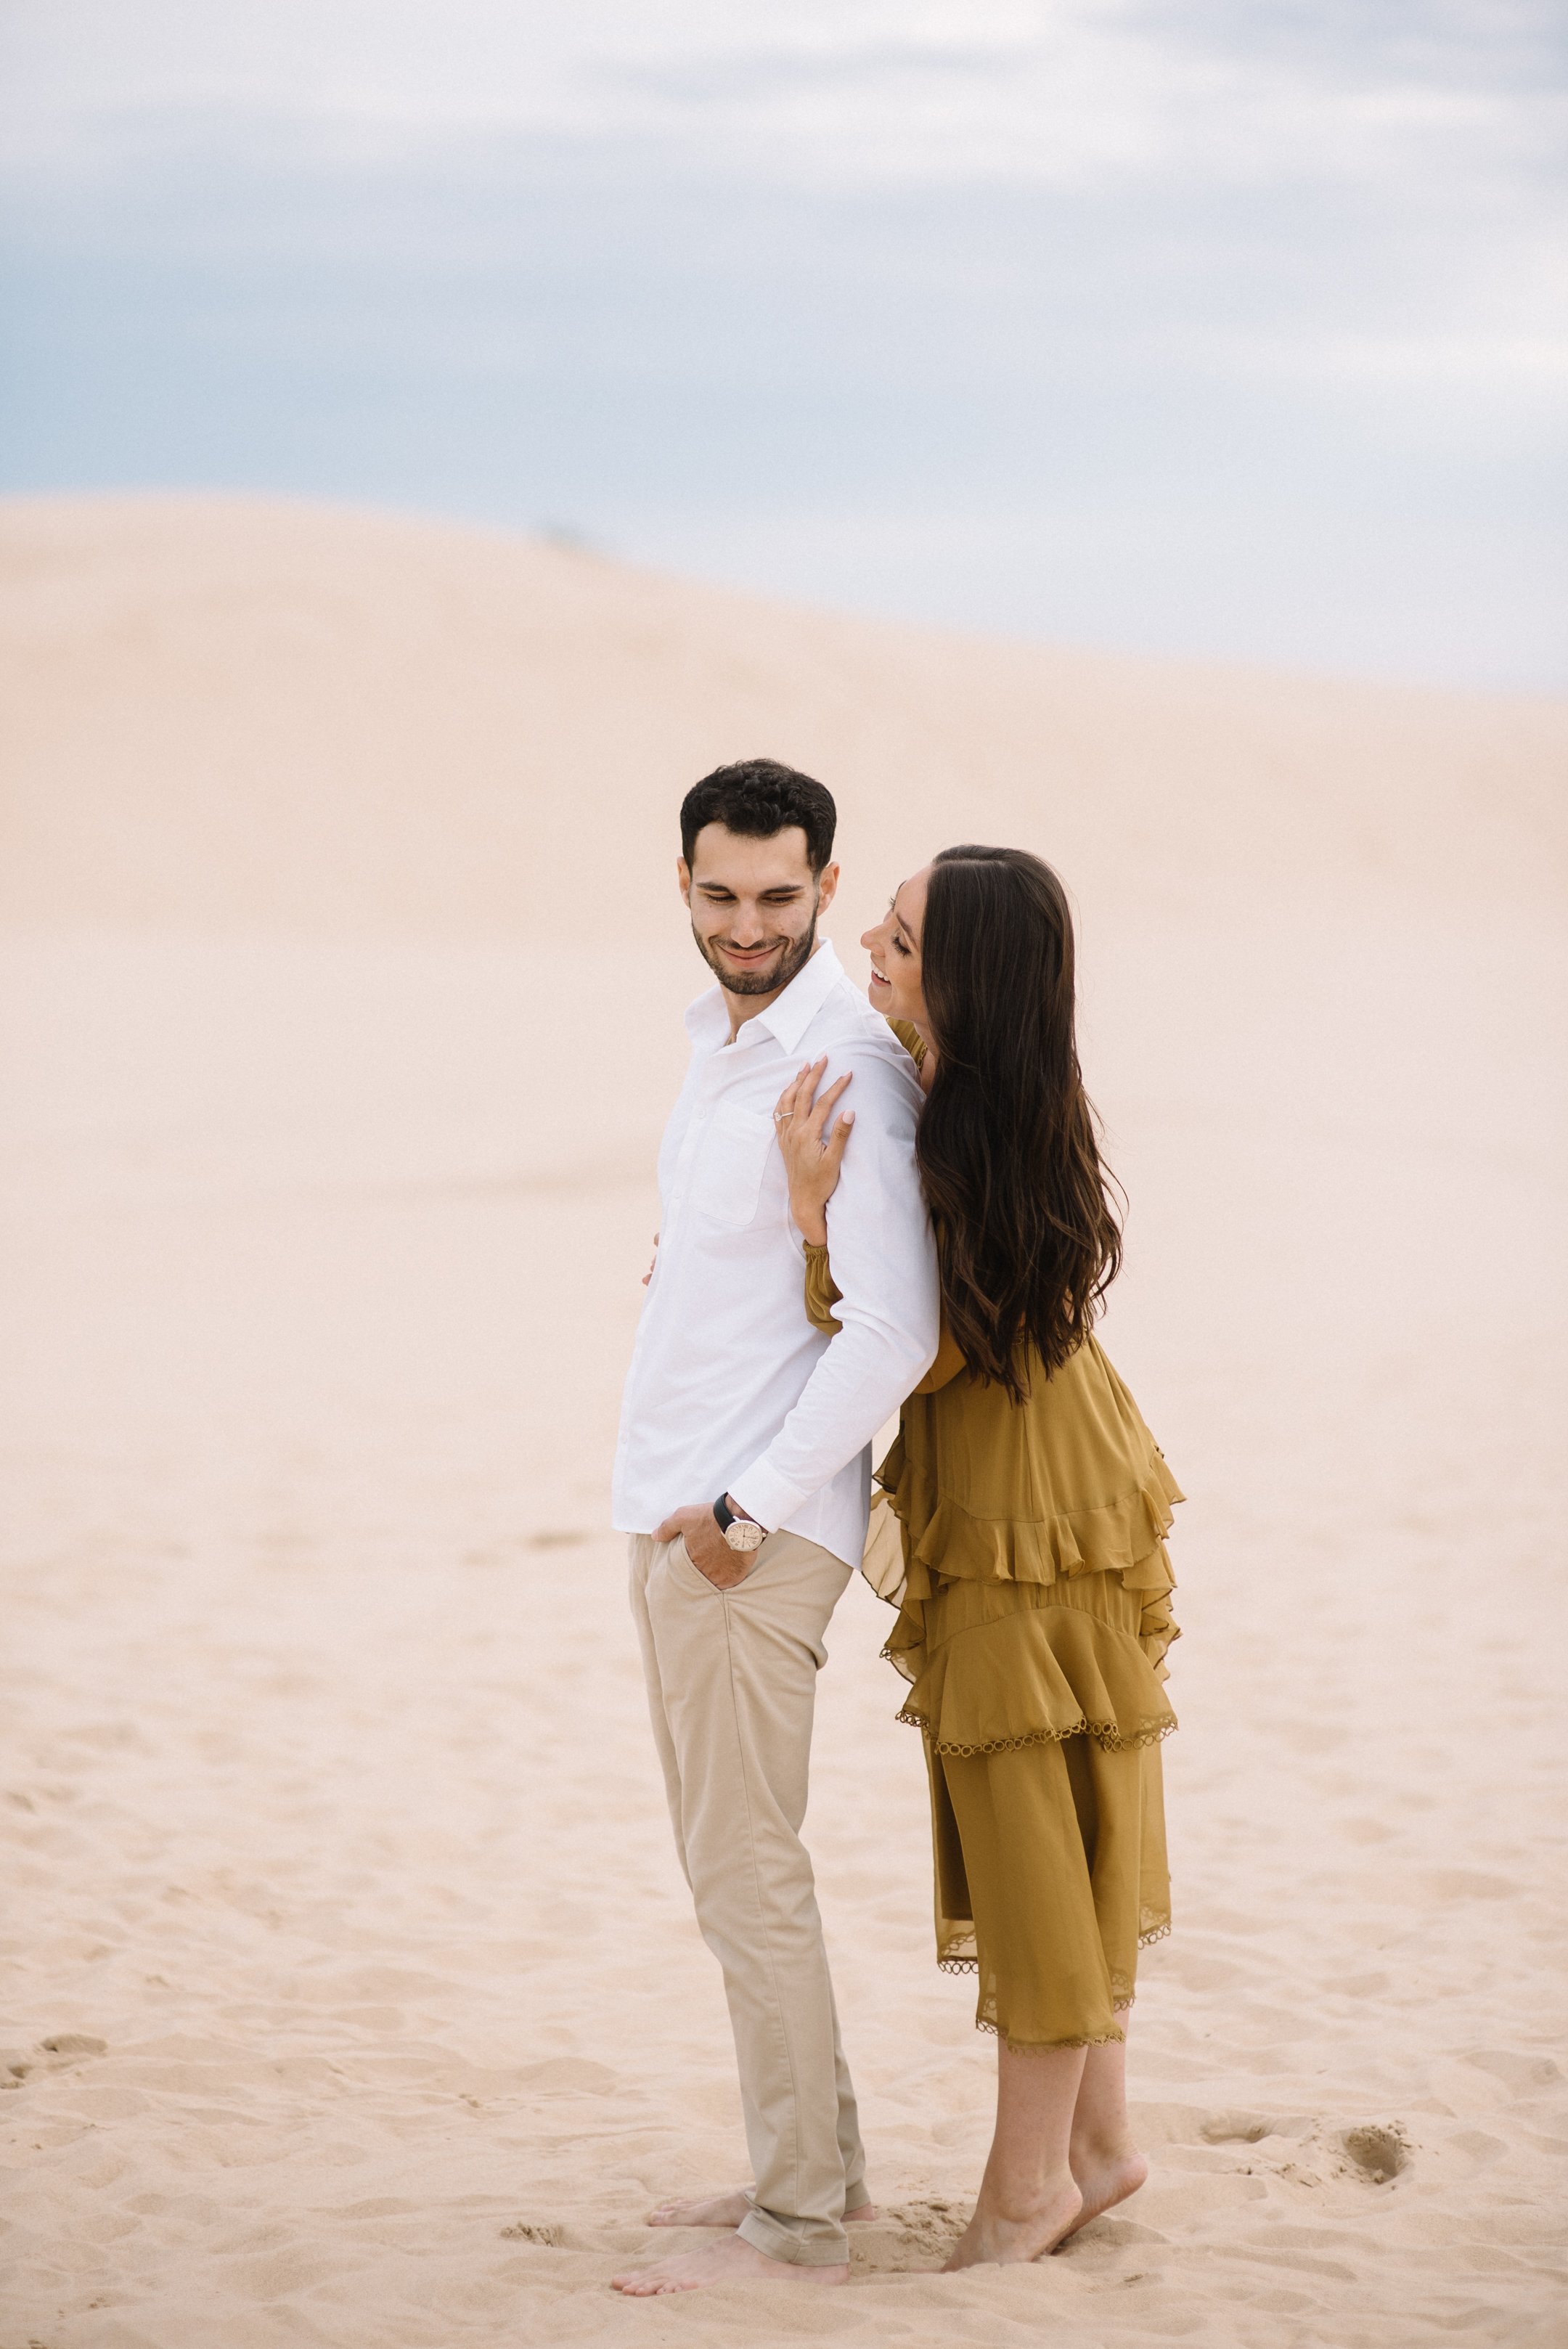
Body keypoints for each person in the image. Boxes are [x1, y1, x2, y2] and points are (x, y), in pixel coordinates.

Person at [771, 844, 1183, 2270]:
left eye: (896, 940)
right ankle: (1097, 2145)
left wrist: (817, 1221)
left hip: (1028, 1515)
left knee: (1029, 1845)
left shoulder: (975, 1128)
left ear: (968, 983)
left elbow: (923, 1344)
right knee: (1053, 1820)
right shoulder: (967, 1088)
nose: (869, 954)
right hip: (1044, 1474)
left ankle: (1027, 2189)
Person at [610, 759, 939, 2297]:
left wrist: (742, 1512)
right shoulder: (722, 1045)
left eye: (782, 898)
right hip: (678, 1509)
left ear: (822, 885)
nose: (750, 927)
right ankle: (820, 2175)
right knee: (728, 1867)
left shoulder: (844, 1068)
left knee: (748, 1874)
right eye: (722, 895)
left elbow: (894, 1331)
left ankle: (800, 2224)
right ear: (684, 884)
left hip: (750, 1528)